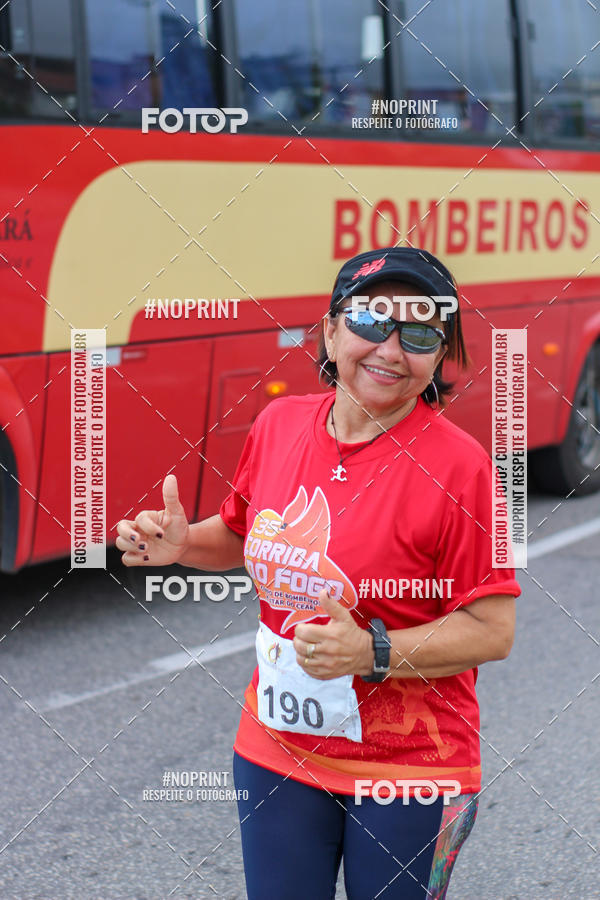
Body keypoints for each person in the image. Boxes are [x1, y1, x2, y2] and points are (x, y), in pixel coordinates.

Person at [116, 247, 520, 899]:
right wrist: (185, 543)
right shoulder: (279, 425)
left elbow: (493, 629)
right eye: (369, 322)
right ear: (331, 329)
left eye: (419, 334)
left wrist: (371, 650)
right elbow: (245, 534)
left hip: (411, 768)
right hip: (276, 749)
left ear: (440, 356)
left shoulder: (464, 469)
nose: (391, 348)